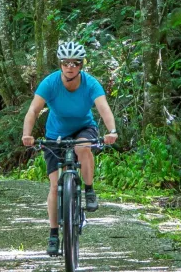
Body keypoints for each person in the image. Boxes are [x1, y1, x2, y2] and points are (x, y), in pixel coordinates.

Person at [21, 40, 119, 257]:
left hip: (84, 128)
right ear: (60, 64)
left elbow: (104, 109)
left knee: (84, 147)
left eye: (75, 63)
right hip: (55, 134)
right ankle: (54, 234)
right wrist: (27, 135)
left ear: (81, 65)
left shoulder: (91, 84)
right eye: (66, 63)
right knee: (55, 185)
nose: (70, 67)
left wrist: (112, 131)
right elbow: (33, 111)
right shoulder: (50, 83)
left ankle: (90, 190)